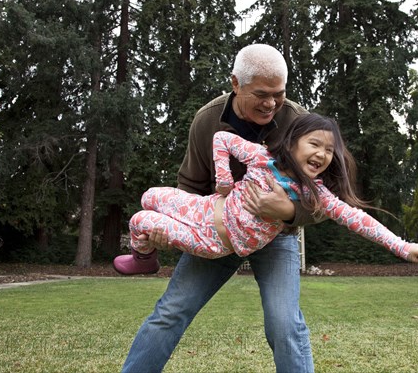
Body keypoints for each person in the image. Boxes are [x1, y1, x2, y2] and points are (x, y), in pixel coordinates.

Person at [120, 44, 318, 373]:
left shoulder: (298, 122)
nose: (271, 103)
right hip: (217, 231)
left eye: (279, 94)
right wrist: (174, 230)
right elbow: (190, 188)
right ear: (236, 84)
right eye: (262, 93)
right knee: (171, 311)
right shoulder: (207, 120)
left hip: (275, 237)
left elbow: (323, 199)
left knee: (285, 326)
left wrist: (286, 210)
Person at [114, 114, 418, 272]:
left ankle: (144, 259)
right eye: (315, 144)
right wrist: (224, 181)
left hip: (213, 242)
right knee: (149, 197)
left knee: (142, 220)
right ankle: (144, 251)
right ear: (292, 143)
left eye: (329, 150)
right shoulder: (262, 157)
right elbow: (222, 138)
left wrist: (403, 247)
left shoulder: (316, 196)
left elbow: (359, 220)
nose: (322, 154)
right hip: (204, 208)